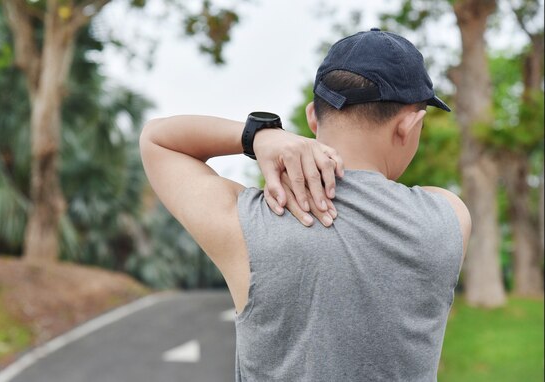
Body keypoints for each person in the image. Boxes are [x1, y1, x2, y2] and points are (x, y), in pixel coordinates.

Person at [140, 28, 471, 381]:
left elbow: (157, 140)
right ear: (409, 124)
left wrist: (258, 134)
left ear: (313, 116)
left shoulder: (252, 224)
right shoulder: (448, 218)